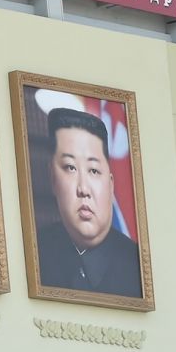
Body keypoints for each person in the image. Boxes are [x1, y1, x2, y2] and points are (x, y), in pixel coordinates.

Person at [36, 107, 142, 297]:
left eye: (93, 170)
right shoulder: (34, 252)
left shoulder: (138, 266)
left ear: (110, 184)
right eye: (70, 167)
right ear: (53, 178)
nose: (83, 189)